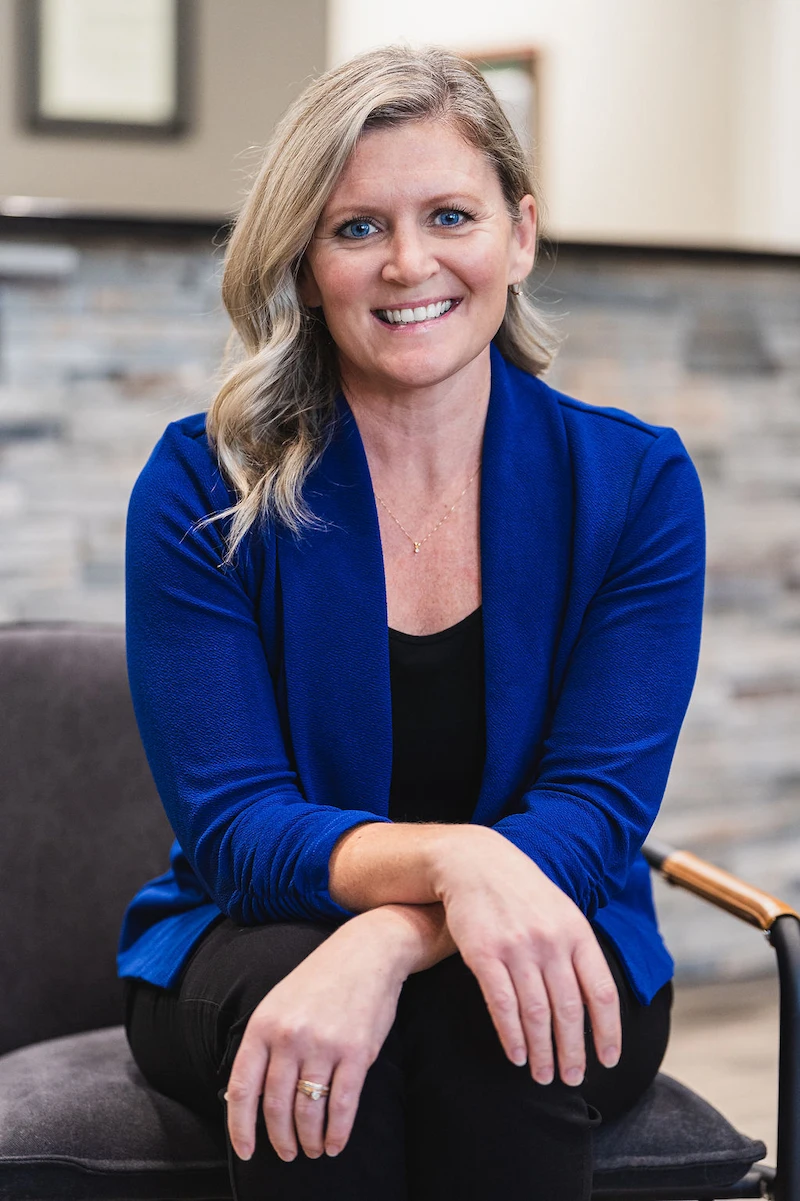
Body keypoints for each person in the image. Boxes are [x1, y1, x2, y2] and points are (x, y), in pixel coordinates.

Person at [118, 44, 705, 1201]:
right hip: (253, 926)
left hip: (558, 914)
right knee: (331, 1044)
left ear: (518, 236)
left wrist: (391, 935)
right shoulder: (204, 485)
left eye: (448, 214)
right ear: (302, 258)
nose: (407, 264)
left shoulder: (633, 484)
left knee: (502, 1019)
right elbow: (239, 829)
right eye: (355, 229)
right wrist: (459, 860)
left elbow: (591, 819)